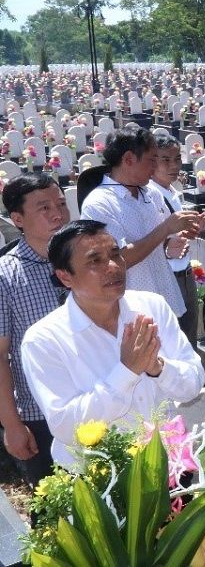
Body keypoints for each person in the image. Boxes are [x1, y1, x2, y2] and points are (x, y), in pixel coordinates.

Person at [21, 220, 205, 467]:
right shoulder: (43, 340)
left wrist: (158, 367)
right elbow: (66, 426)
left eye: (115, 254)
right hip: (101, 480)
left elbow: (193, 384)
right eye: (94, 260)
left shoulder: (152, 307)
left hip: (169, 464)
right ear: (65, 277)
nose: (113, 266)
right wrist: (126, 371)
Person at [80, 127, 203, 321]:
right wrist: (166, 229)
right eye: (152, 160)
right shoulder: (99, 203)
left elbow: (158, 243)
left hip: (166, 298)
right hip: (134, 311)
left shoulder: (150, 193)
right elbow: (116, 259)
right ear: (129, 159)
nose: (155, 167)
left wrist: (171, 243)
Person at [0, 174, 69, 485]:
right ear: (18, 219)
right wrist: (12, 424)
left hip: (98, 397)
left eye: (61, 204)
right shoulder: (6, 276)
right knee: (56, 509)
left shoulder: (83, 260)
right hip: (40, 412)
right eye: (44, 208)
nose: (58, 214)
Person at [148, 135, 199, 345]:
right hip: (167, 278)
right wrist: (167, 247)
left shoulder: (171, 191)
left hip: (185, 273)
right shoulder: (150, 194)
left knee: (189, 340)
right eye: (165, 160)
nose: (174, 165)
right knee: (174, 344)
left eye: (177, 158)